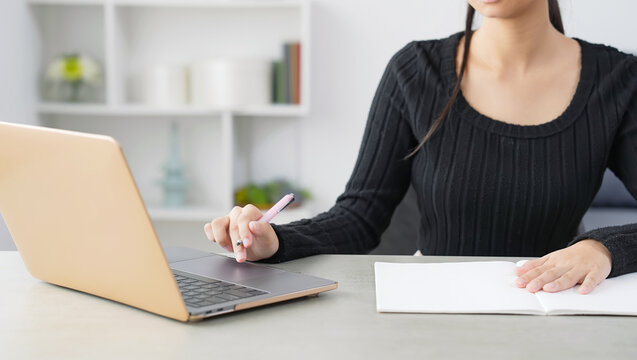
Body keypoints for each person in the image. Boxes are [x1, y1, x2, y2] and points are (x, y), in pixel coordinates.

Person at [204, 0, 637, 295]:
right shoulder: (415, 71)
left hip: (553, 308)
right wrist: (274, 240)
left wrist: (601, 248)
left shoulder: (619, 80)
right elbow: (359, 217)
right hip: (435, 309)